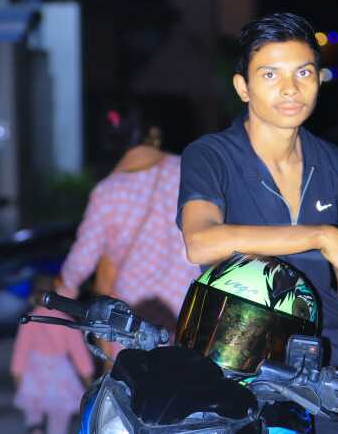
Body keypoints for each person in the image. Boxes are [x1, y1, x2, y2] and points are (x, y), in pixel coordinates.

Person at [177, 13, 338, 434]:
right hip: (251, 376)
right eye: (270, 74)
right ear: (243, 87)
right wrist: (322, 236)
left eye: (303, 72)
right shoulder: (212, 156)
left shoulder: (334, 164)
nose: (290, 88)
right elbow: (199, 241)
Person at [58, 101, 200, 338]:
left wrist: (64, 288)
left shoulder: (107, 191)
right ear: (154, 135)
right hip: (190, 308)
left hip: (134, 320)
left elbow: (82, 259)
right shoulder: (189, 171)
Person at [11, 276, 94, 434]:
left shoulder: (29, 320)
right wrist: (87, 375)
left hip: (35, 371)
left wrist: (17, 373)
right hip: (59, 373)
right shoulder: (65, 320)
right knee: (59, 414)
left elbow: (21, 349)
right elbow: (78, 351)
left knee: (33, 409)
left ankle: (35, 429)